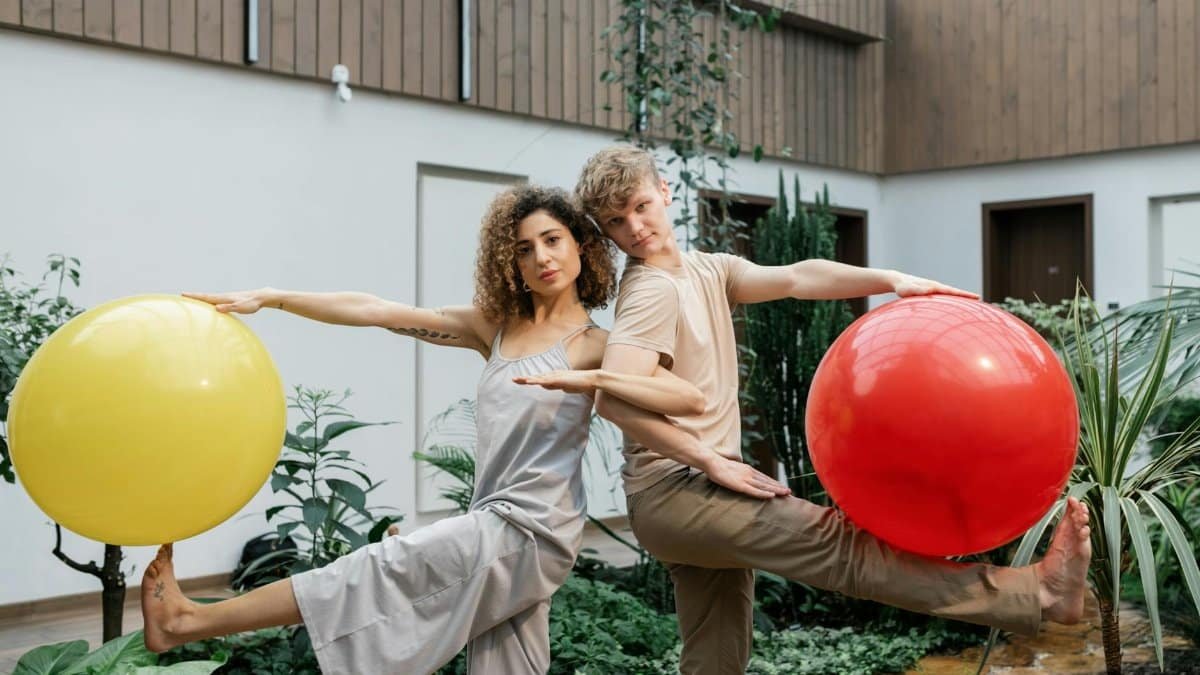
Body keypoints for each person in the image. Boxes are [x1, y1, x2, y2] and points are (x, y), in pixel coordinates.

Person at [539, 145, 1092, 675]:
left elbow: (798, 277)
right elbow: (614, 395)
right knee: (841, 547)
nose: (635, 228)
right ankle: (1037, 594)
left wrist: (892, 281)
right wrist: (711, 463)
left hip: (681, 499)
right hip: (679, 491)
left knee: (717, 651)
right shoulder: (650, 290)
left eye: (640, 207)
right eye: (615, 222)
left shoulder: (706, 270)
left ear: (663, 191)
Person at [140, 185, 706, 675]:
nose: (541, 258)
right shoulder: (494, 329)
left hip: (533, 531)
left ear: (580, 245)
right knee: (509, 665)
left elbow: (685, 395)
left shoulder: (597, 348)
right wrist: (274, 298)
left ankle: (189, 621)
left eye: (553, 240)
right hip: (495, 519)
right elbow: (377, 309)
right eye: (525, 249)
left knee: (378, 567)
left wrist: (593, 380)